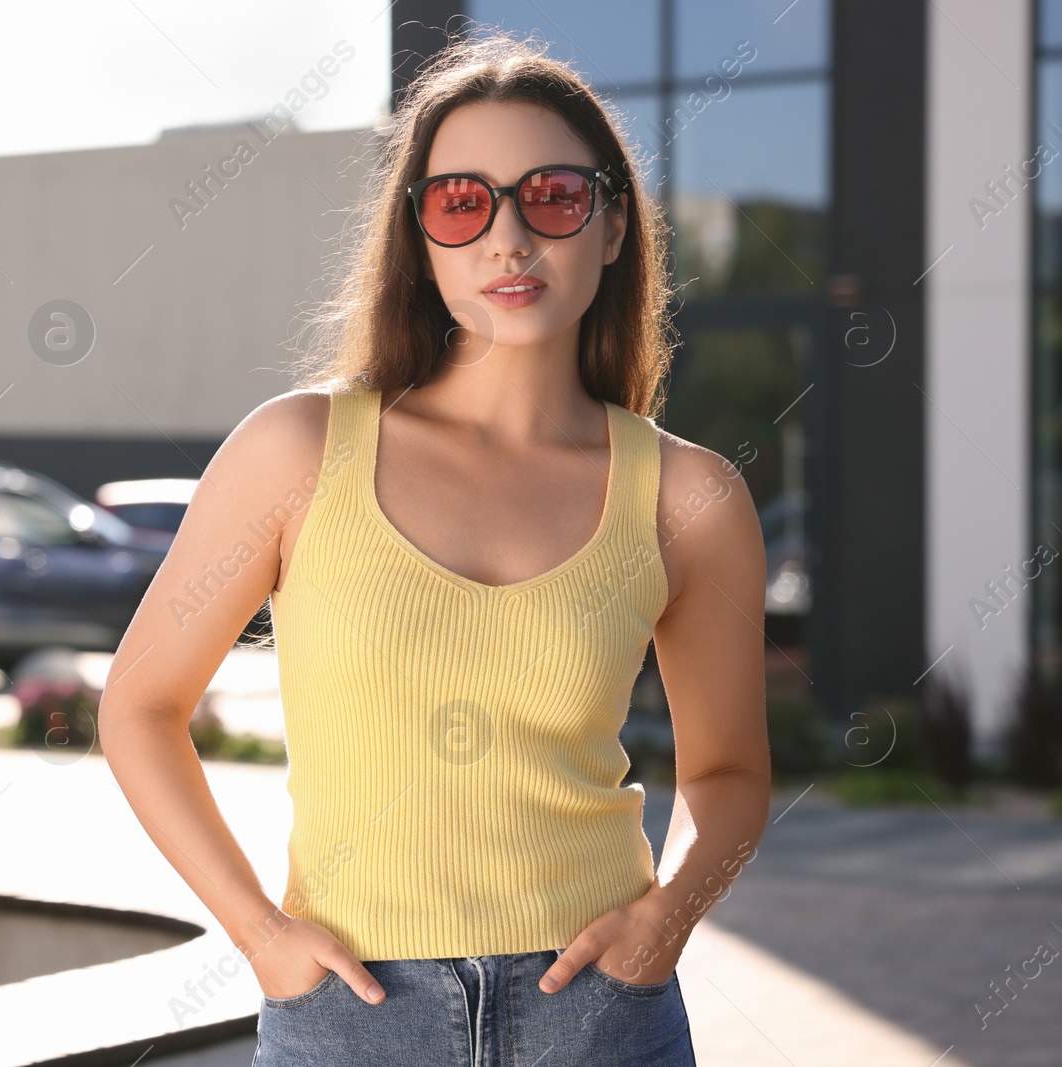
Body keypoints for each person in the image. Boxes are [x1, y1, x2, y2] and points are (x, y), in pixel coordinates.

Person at [99, 29, 771, 1067]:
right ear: (419, 237)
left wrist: (666, 918)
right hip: (352, 1017)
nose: (508, 239)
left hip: (600, 1013)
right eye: (462, 202)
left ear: (610, 223)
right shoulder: (295, 451)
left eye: (550, 196)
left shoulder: (690, 494)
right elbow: (138, 706)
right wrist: (259, 933)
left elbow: (727, 772)